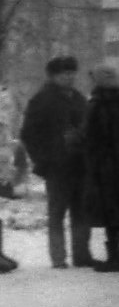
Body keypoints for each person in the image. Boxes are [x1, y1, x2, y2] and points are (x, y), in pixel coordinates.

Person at [20, 54, 93, 269]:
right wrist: (43, 160)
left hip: (80, 164)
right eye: (64, 74)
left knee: (81, 211)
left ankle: (82, 255)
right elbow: (28, 134)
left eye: (72, 73)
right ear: (53, 76)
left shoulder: (79, 99)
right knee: (57, 212)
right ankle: (58, 257)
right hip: (57, 166)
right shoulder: (42, 101)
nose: (69, 78)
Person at [80, 64, 119, 272]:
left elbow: (90, 137)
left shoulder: (97, 105)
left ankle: (115, 257)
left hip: (105, 168)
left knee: (110, 212)